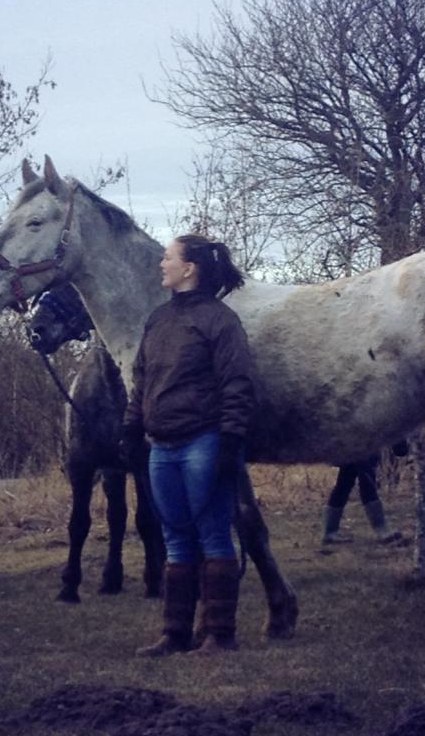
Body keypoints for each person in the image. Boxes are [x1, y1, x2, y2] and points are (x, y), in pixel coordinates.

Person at [120, 233, 255, 657]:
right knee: (175, 539)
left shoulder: (220, 321)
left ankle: (220, 633)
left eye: (167, 258)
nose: (162, 264)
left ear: (189, 268)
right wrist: (130, 427)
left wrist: (230, 443)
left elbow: (238, 384)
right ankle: (175, 634)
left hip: (204, 443)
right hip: (162, 448)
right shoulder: (158, 319)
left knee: (214, 536)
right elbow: (142, 380)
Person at [322, 445, 406, 544]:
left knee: (345, 481)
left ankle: (330, 532)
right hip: (360, 443)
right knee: (365, 479)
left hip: (353, 443)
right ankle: (382, 529)